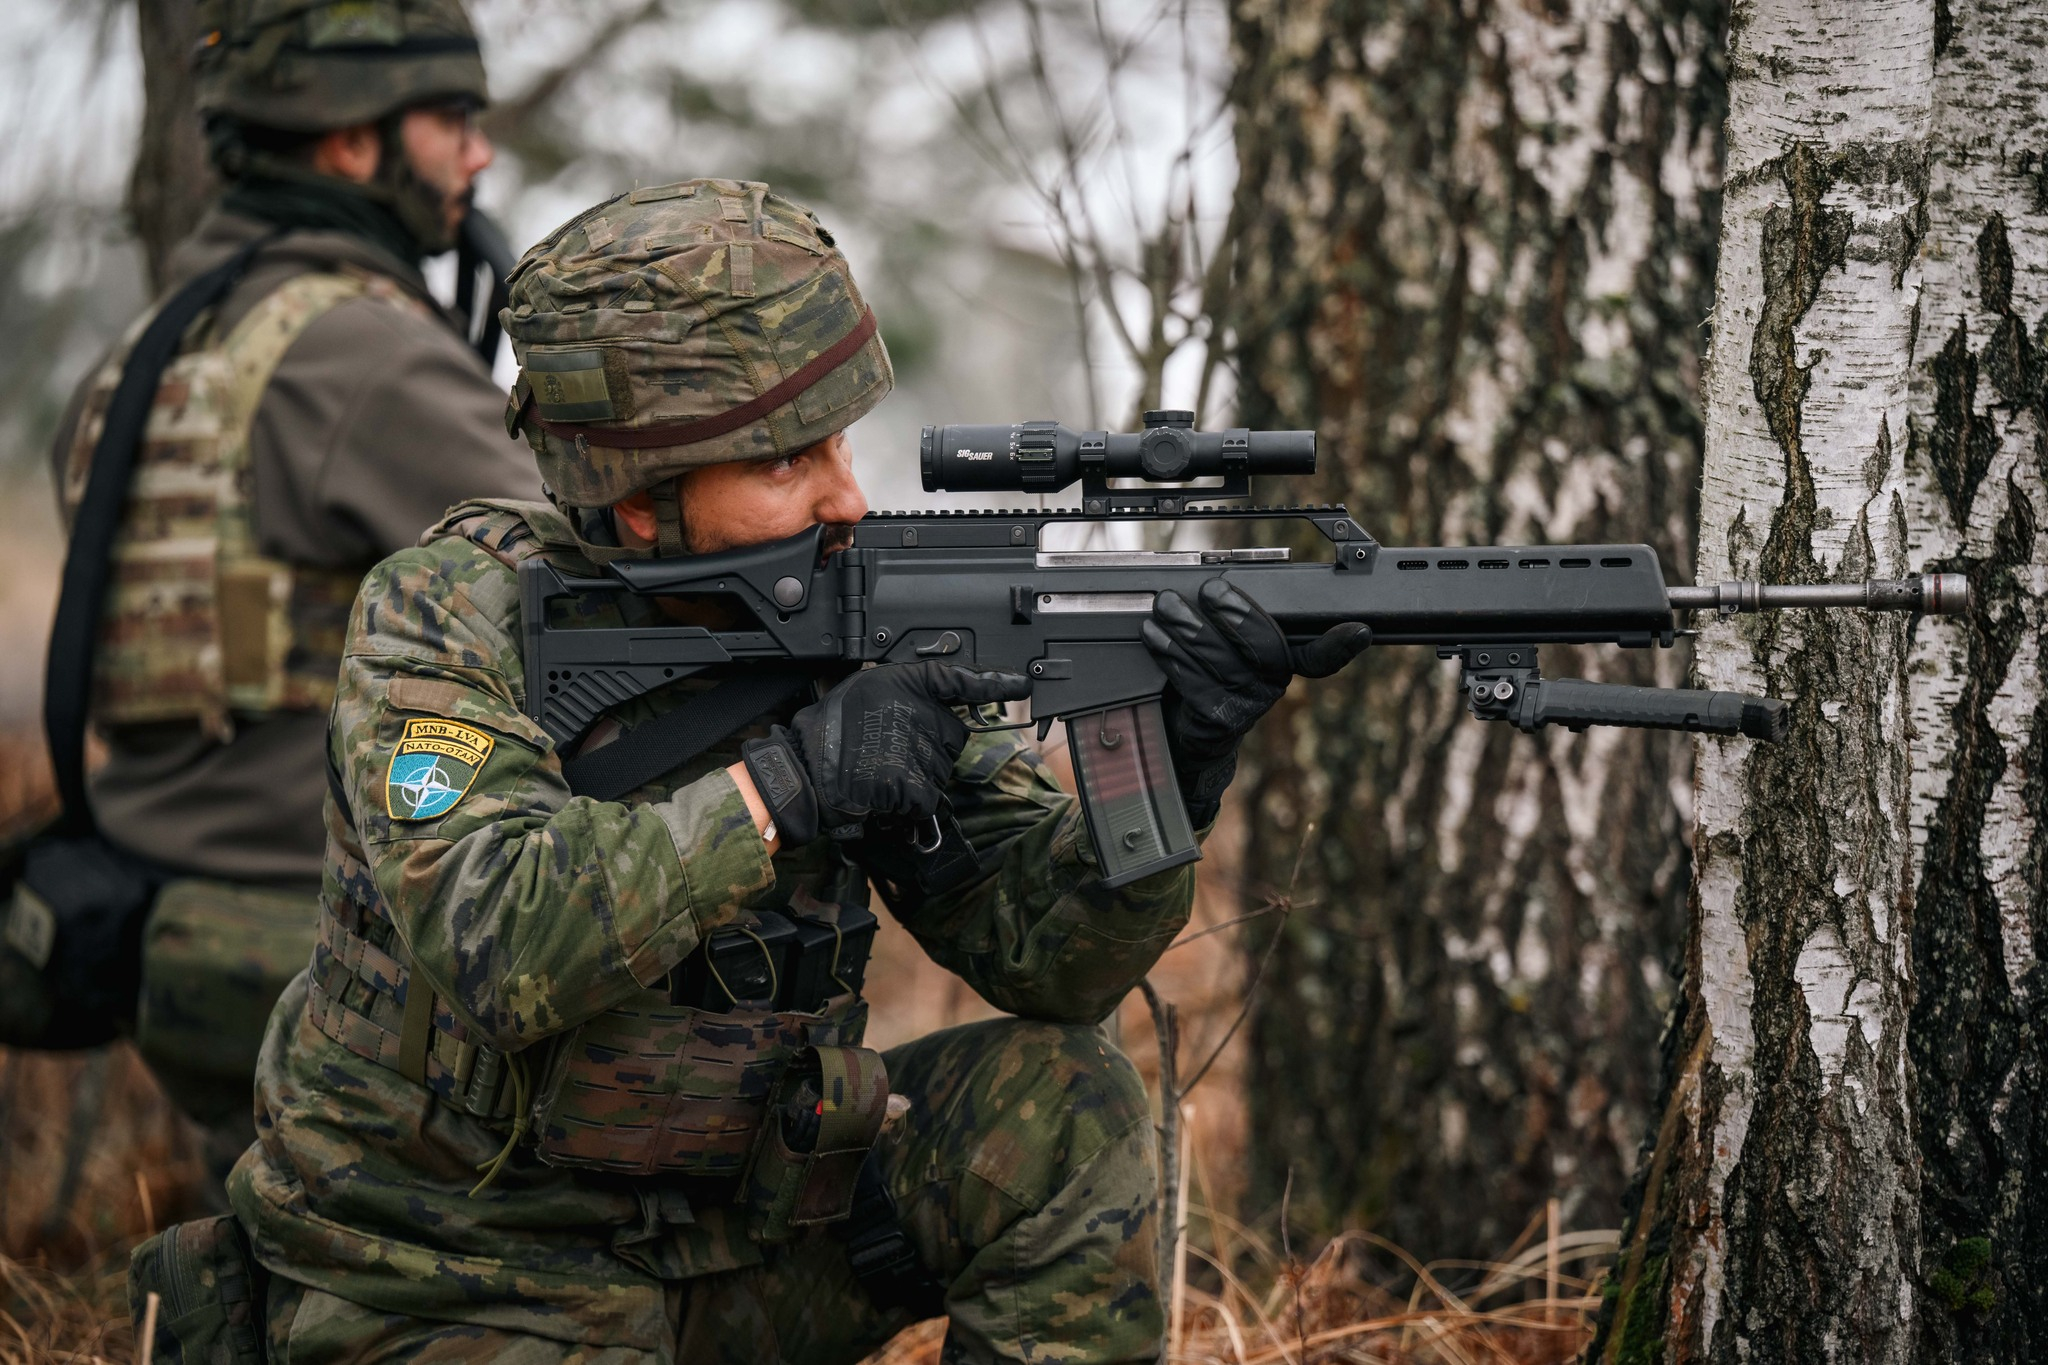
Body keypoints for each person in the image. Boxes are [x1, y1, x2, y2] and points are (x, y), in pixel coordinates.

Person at [214, 179, 1370, 1364]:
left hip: (736, 1253)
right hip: (447, 1282)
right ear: (639, 493)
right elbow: (496, 941)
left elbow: (1051, 961)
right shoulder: (447, 617)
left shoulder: (845, 609)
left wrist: (1176, 758)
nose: (845, 496)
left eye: (838, 441)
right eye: (781, 460)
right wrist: (791, 785)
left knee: (1065, 1111)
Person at [19, 0, 540, 1166]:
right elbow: (585, 584)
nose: (479, 153)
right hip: (307, 936)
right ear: (348, 139)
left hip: (156, 911)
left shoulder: (153, 346)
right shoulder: (360, 355)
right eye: (451, 117)